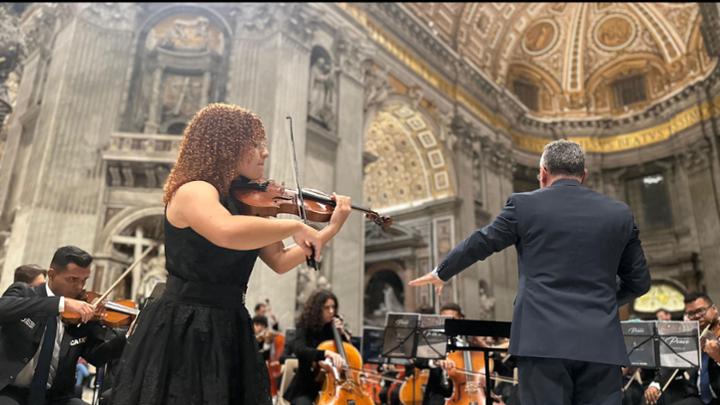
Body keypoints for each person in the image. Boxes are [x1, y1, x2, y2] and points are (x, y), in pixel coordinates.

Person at [111, 103, 352, 405]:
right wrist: (294, 225)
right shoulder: (194, 190)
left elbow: (279, 261)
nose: (264, 153)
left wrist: (328, 230)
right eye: (256, 144)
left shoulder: (250, 203)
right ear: (226, 146)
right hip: (184, 323)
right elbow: (225, 231)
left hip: (230, 322)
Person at [409, 139, 651, 405]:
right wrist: (602, 301)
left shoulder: (524, 205)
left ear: (543, 172)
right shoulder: (620, 214)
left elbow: (482, 242)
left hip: (541, 341)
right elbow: (639, 282)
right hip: (600, 343)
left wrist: (441, 272)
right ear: (583, 175)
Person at [0, 245, 126, 405]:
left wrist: (127, 337)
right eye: (73, 279)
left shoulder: (81, 314)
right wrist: (61, 303)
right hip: (10, 390)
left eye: (84, 280)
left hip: (56, 397)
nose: (80, 287)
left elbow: (97, 357)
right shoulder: (25, 293)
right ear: (51, 274)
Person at [643, 292, 720, 405]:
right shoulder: (693, 335)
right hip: (698, 397)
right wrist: (655, 385)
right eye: (691, 314)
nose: (697, 317)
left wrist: (718, 356)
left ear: (714, 309)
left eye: (700, 311)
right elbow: (674, 362)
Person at [283, 289, 349, 405]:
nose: (331, 311)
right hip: (305, 388)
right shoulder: (304, 326)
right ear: (317, 309)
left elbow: (347, 355)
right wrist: (325, 353)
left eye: (333, 307)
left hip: (332, 389)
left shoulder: (333, 329)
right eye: (326, 308)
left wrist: (342, 334)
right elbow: (299, 349)